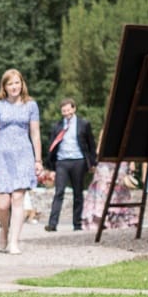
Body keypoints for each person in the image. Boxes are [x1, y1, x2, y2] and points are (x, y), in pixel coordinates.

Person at [0, 68, 43, 255]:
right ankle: (4, 228)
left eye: (17, 82)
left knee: (18, 198)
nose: (14, 86)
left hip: (24, 155)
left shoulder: (31, 105)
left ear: (22, 84)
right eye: (10, 84)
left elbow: (35, 134)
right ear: (4, 87)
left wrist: (38, 160)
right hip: (2, 156)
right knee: (2, 204)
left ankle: (14, 242)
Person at [43, 97, 97, 232]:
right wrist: (49, 166)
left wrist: (92, 163)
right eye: (64, 111)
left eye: (68, 110)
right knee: (59, 191)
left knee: (78, 192)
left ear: (74, 109)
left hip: (79, 161)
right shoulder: (57, 126)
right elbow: (52, 146)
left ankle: (77, 223)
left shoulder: (83, 124)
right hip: (62, 162)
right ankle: (52, 224)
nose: (66, 113)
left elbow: (91, 144)